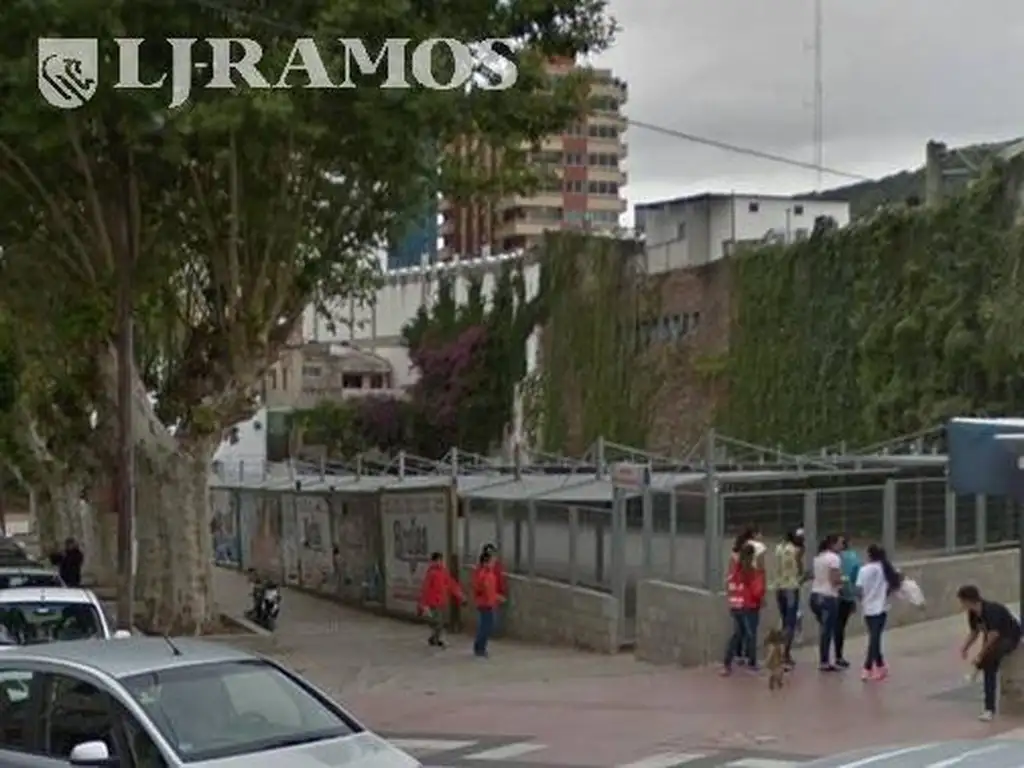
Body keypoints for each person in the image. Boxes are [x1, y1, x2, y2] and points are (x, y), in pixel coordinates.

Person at [958, 584, 1021, 721]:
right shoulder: (973, 613)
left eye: (962, 601)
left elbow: (994, 635)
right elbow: (974, 632)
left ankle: (976, 670)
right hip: (994, 638)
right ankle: (989, 709)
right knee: (989, 667)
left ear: (968, 600)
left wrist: (980, 655)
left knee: (990, 656)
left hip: (1010, 636)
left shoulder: (991, 610)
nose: (961, 605)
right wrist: (965, 647)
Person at [854, 544, 899, 680]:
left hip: (868, 608)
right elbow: (892, 585)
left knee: (874, 638)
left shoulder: (863, 570)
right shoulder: (885, 568)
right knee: (875, 638)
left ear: (869, 555)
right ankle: (880, 664)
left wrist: (863, 599)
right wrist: (883, 595)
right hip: (881, 607)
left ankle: (867, 667)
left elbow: (859, 590)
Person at [721, 542, 765, 675]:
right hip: (750, 606)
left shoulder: (735, 570)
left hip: (736, 605)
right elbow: (757, 591)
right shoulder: (752, 571)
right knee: (751, 634)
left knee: (737, 635)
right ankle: (752, 662)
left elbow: (729, 585)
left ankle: (727, 662)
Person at [809, 534, 843, 671]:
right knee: (827, 630)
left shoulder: (818, 557)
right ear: (833, 544)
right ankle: (825, 661)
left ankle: (825, 659)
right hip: (828, 596)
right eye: (840, 543)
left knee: (824, 628)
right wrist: (843, 581)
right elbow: (834, 580)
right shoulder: (834, 558)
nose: (842, 546)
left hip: (815, 595)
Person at [418, 552, 464, 648]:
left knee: (441, 622)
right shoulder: (431, 573)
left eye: (440, 560)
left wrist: (459, 595)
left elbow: (451, 584)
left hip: (442, 601)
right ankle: (435, 638)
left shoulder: (444, 572)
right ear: (433, 561)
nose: (439, 562)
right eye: (437, 560)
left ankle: (434, 638)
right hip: (433, 602)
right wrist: (423, 603)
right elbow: (425, 589)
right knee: (438, 621)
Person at [773, 527, 804, 667]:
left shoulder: (778, 548)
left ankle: (780, 652)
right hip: (791, 587)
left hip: (779, 586)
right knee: (790, 622)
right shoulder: (796, 550)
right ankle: (785, 654)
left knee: (784, 619)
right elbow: (799, 570)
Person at [834, 534, 861, 668]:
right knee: (841, 626)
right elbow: (856, 577)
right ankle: (838, 655)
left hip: (834, 594)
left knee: (832, 626)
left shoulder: (835, 557)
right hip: (848, 595)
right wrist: (855, 595)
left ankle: (828, 656)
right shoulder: (854, 557)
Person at [471, 549, 503, 657]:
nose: (493, 563)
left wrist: (495, 597)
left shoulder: (488, 574)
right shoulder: (485, 575)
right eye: (491, 561)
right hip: (486, 603)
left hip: (486, 602)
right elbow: (487, 590)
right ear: (486, 562)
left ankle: (479, 647)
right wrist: (495, 598)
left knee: (485, 626)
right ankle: (480, 648)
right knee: (486, 627)